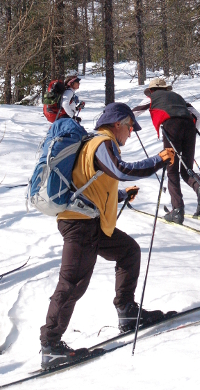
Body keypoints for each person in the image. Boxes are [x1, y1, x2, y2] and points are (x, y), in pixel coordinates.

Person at [40, 102, 175, 369]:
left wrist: (122, 195)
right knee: (72, 283)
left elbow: (92, 183)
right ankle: (50, 345)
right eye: (130, 128)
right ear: (119, 123)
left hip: (91, 223)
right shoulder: (102, 141)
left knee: (128, 251)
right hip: (79, 224)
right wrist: (157, 160)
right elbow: (121, 170)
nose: (130, 134)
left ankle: (126, 312)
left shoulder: (95, 144)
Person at [133, 78, 200, 224]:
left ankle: (177, 210)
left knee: (172, 169)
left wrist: (126, 123)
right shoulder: (178, 98)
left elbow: (133, 112)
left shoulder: (151, 98)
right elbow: (198, 116)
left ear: (152, 90)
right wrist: (192, 131)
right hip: (189, 127)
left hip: (171, 127)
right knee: (187, 169)